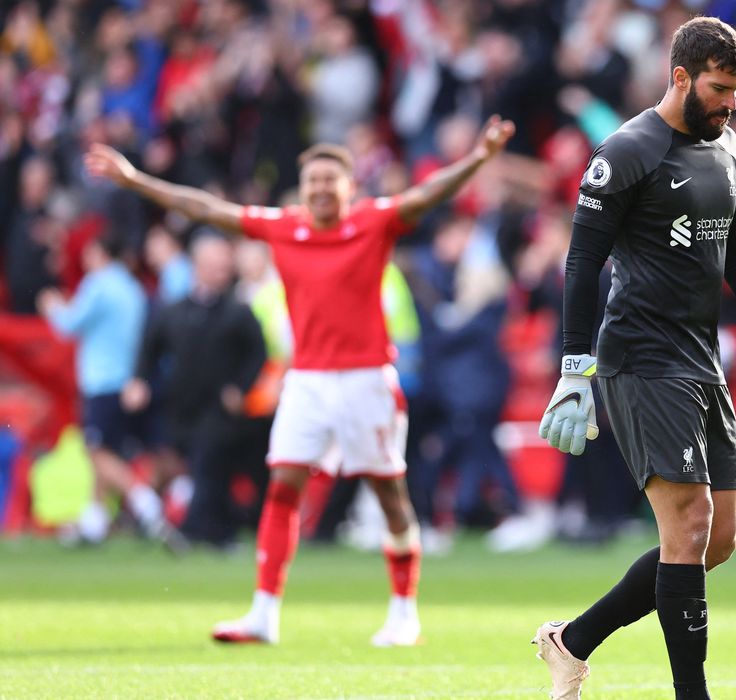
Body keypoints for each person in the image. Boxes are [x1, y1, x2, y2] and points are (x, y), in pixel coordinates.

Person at [83, 114, 515, 646]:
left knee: (388, 493)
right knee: (283, 485)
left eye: (329, 181)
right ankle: (264, 613)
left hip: (366, 380)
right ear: (303, 188)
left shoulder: (373, 221)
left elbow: (426, 195)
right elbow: (205, 208)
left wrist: (479, 157)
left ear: (349, 188)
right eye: (312, 181)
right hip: (306, 380)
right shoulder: (284, 226)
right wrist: (135, 181)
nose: (320, 190)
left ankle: (405, 611)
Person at [532, 18, 736, 700]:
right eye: (720, 89)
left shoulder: (728, 146)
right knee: (688, 527)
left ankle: (569, 642)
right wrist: (575, 370)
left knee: (714, 542)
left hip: (700, 361)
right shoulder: (628, 151)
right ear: (681, 77)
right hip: (640, 358)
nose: (730, 104)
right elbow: (581, 264)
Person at [122, 234, 268, 549]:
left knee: (208, 464)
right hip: (180, 406)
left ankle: (193, 531)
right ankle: (212, 531)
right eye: (214, 266)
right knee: (193, 469)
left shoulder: (238, 311)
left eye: (224, 267)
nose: (221, 273)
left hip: (218, 408)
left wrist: (239, 388)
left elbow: (258, 353)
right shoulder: (173, 310)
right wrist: (139, 381)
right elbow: (149, 349)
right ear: (198, 267)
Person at [37, 235, 178, 549]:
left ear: (100, 253)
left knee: (96, 450)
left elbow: (68, 325)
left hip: (102, 381)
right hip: (129, 381)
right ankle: (94, 521)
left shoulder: (98, 284)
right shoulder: (133, 287)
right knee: (106, 450)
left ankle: (144, 503)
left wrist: (52, 306)